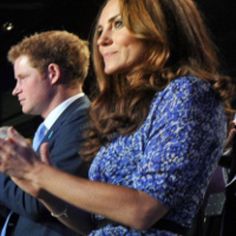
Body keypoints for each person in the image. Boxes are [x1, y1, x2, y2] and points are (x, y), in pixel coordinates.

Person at [0, 0, 234, 235]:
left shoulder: (187, 94)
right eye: (100, 30)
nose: (102, 40)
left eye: (118, 24)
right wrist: (44, 192)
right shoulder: (129, 114)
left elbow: (143, 210)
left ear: (158, 26)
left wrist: (39, 172)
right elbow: (94, 224)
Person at [0, 31, 92, 235]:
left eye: (22, 78)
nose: (16, 90)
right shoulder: (56, 127)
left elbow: (38, 202)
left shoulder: (83, 122)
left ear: (52, 73)